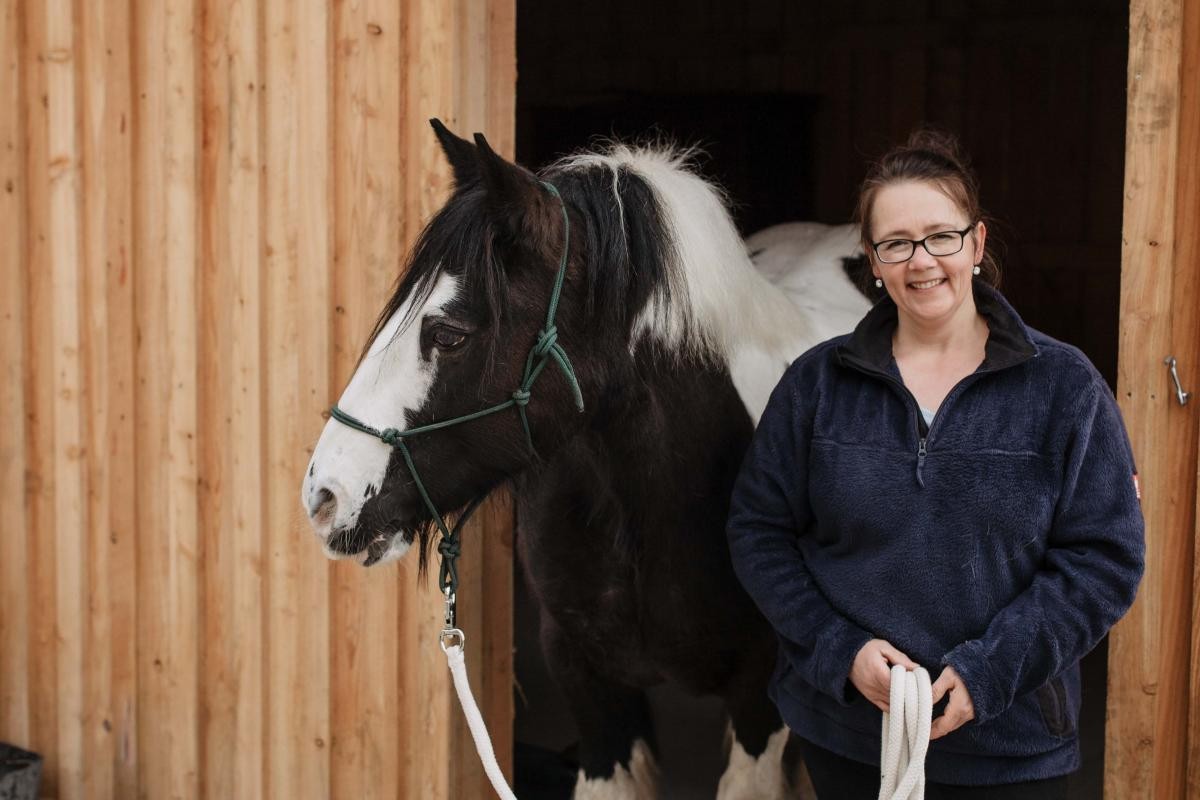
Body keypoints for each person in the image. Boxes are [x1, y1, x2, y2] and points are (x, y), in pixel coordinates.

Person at [726, 130, 1144, 799]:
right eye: (896, 243)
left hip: (1011, 748)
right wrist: (840, 650)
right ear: (873, 261)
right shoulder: (817, 385)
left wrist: (990, 673)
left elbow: (1104, 559)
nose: (921, 261)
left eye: (940, 237)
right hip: (849, 737)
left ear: (976, 244)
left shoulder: (1064, 388)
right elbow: (759, 531)